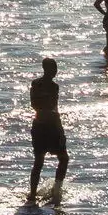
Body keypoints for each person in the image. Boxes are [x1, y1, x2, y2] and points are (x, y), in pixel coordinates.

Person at [27, 57, 67, 203]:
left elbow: (35, 105)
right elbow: (53, 108)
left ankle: (32, 195)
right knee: (63, 158)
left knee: (38, 161)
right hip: (51, 126)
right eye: (54, 68)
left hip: (38, 124)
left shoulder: (35, 84)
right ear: (48, 69)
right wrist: (60, 130)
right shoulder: (54, 87)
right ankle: (57, 190)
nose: (55, 71)